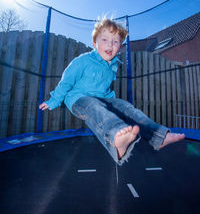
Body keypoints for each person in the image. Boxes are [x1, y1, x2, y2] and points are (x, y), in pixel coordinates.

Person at [39, 18, 185, 165]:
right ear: (94, 43)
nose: (110, 44)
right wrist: (54, 100)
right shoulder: (83, 61)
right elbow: (67, 81)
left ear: (120, 46)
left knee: (127, 107)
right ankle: (116, 135)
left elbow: (104, 88)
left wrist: (114, 104)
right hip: (79, 99)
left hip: (103, 99)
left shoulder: (113, 65)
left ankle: (157, 137)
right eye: (105, 40)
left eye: (115, 42)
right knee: (94, 106)